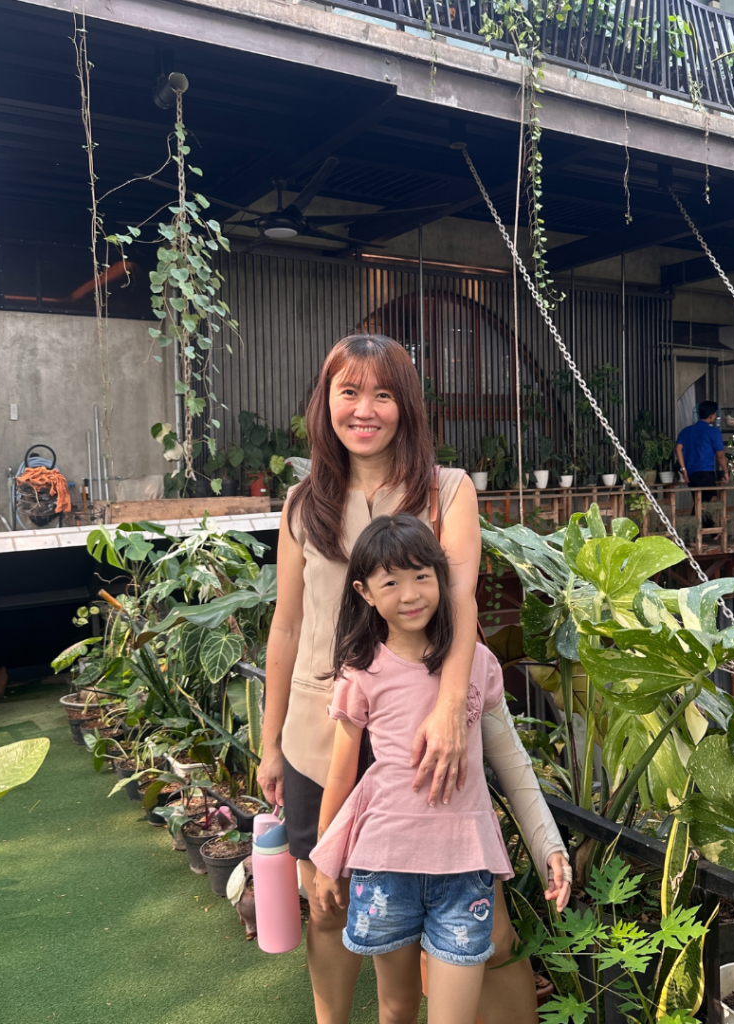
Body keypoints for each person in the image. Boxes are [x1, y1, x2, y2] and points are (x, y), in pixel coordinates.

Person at [259, 333, 570, 1024]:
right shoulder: (302, 503)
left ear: (406, 405)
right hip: (323, 728)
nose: (364, 409)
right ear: (326, 402)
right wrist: (269, 742)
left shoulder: (446, 490)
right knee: (329, 904)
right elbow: (286, 626)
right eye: (348, 392)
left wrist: (451, 711)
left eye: (383, 394)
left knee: (488, 930)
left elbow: (460, 601)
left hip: (426, 731)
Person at [310, 514, 571, 1024]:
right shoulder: (361, 673)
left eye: (422, 576)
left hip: (465, 871)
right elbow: (341, 777)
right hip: (385, 867)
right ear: (365, 592)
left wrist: (550, 848)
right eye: (391, 582)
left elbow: (514, 767)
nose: (411, 594)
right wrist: (326, 861)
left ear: (442, 579)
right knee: (397, 1008)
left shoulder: (478, 664)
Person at [675, 399, 728, 500]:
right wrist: (725, 472)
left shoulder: (686, 431)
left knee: (698, 501)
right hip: (706, 473)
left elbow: (678, 448)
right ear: (712, 415)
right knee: (707, 503)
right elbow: (720, 456)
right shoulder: (713, 432)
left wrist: (683, 469)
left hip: (691, 474)